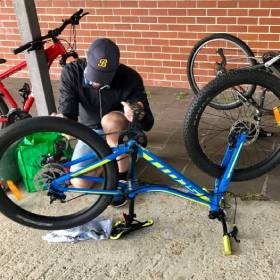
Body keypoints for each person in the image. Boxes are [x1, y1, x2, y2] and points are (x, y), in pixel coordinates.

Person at [57, 38, 154, 207]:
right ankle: (112, 159)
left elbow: (147, 123)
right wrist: (61, 121)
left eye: (104, 77)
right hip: (90, 133)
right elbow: (69, 115)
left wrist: (137, 112)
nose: (98, 82)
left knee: (110, 121)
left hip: (118, 129)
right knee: (80, 183)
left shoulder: (130, 77)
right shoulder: (71, 72)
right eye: (95, 74)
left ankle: (122, 177)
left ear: (116, 68)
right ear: (87, 59)